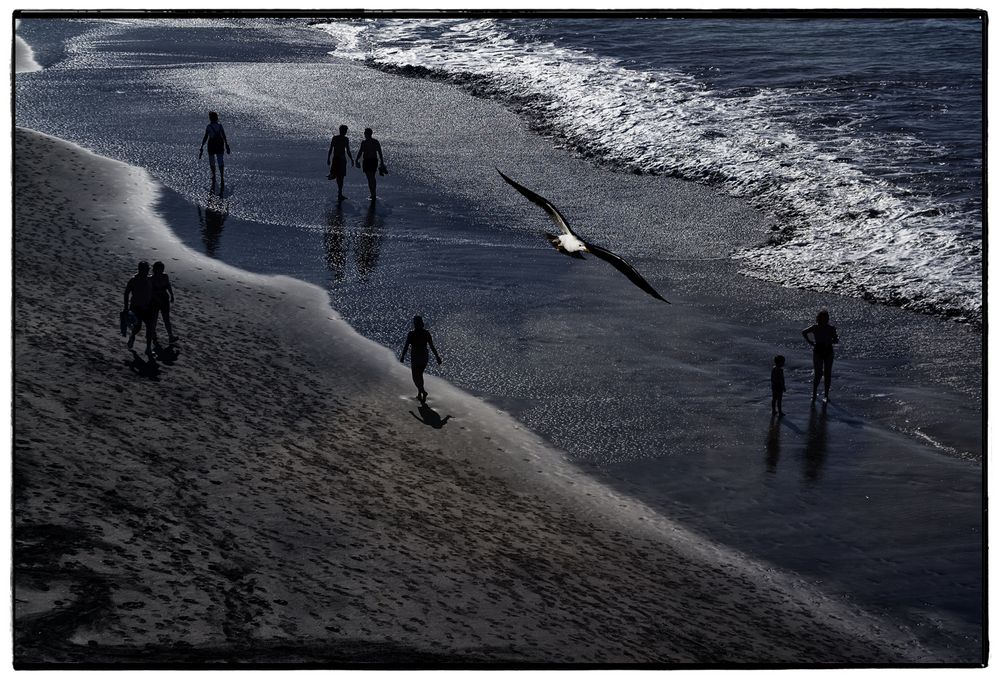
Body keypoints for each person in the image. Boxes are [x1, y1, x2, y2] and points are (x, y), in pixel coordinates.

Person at [400, 316, 442, 404]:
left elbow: (406, 346)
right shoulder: (426, 333)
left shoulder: (411, 334)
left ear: (416, 323)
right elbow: (432, 346)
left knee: (415, 377)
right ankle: (420, 393)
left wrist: (402, 356)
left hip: (416, 358)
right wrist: (437, 357)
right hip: (424, 357)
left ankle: (423, 392)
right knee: (420, 375)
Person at [802, 309, 839, 402]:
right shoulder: (815, 327)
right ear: (819, 318)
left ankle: (826, 395)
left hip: (828, 351)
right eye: (824, 318)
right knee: (818, 374)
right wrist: (810, 342)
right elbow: (804, 332)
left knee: (828, 374)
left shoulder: (831, 328)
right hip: (818, 350)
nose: (826, 319)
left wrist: (830, 341)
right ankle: (814, 394)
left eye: (827, 318)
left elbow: (836, 340)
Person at [123, 261, 155, 354]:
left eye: (148, 268)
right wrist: (125, 307)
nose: (149, 270)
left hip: (148, 307)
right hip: (136, 307)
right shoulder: (133, 279)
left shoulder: (150, 279)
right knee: (138, 327)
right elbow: (126, 293)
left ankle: (148, 348)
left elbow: (152, 293)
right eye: (147, 268)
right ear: (141, 269)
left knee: (150, 327)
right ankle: (132, 336)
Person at [198, 111, 231, 188]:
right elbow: (224, 136)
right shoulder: (220, 126)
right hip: (219, 144)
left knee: (212, 161)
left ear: (210, 118)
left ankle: (214, 175)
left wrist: (202, 146)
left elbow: (205, 137)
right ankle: (222, 176)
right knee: (220, 160)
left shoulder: (209, 127)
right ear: (217, 118)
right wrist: (227, 145)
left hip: (211, 145)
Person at [354, 127, 385, 201]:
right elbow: (380, 153)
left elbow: (360, 152)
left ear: (367, 134)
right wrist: (382, 162)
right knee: (372, 177)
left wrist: (356, 160)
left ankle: (372, 194)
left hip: (368, 161)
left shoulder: (364, 142)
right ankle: (373, 193)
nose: (364, 134)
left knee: (370, 178)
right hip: (373, 161)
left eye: (365, 133)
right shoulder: (375, 141)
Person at [151, 261, 177, 344]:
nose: (162, 270)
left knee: (166, 319)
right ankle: (153, 335)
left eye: (162, 269)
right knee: (154, 319)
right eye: (160, 269)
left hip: (165, 299)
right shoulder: (151, 278)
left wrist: (172, 295)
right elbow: (151, 291)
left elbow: (168, 285)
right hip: (155, 301)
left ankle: (170, 336)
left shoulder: (165, 276)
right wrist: (156, 298)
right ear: (155, 269)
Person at [327, 124, 354, 201]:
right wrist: (351, 159)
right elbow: (347, 150)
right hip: (341, 159)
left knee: (339, 176)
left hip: (336, 158)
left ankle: (339, 193)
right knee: (340, 177)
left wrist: (328, 158)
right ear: (345, 131)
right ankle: (340, 193)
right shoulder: (345, 139)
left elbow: (331, 149)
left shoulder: (335, 138)